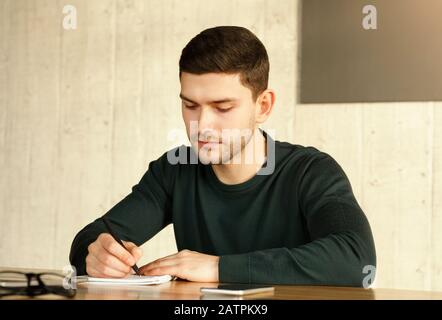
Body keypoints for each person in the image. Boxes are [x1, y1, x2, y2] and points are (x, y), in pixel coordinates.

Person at [69, 26, 376, 286]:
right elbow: (92, 237)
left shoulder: (311, 171)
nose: (201, 126)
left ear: (263, 106)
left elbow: (356, 259)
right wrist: (97, 254)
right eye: (190, 105)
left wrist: (218, 267)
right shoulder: (175, 170)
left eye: (222, 107)